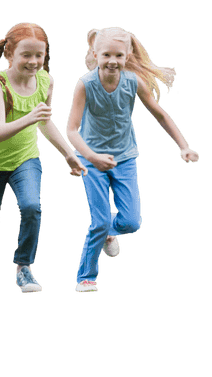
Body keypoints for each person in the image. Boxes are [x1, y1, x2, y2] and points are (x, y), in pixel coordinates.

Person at [66, 27, 198, 293]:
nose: (112, 60)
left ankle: (107, 231)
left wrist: (183, 146)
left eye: (118, 55)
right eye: (106, 54)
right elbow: (71, 129)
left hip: (125, 158)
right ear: (95, 53)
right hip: (91, 160)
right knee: (99, 222)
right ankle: (86, 277)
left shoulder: (133, 82)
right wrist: (91, 156)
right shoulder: (86, 84)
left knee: (132, 222)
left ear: (127, 56)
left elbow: (160, 115)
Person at [0, 23, 86, 300]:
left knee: (31, 206)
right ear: (10, 55)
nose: (33, 62)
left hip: (25, 159)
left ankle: (23, 266)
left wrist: (68, 154)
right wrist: (31, 116)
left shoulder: (46, 81)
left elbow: (46, 123)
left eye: (39, 55)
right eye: (26, 55)